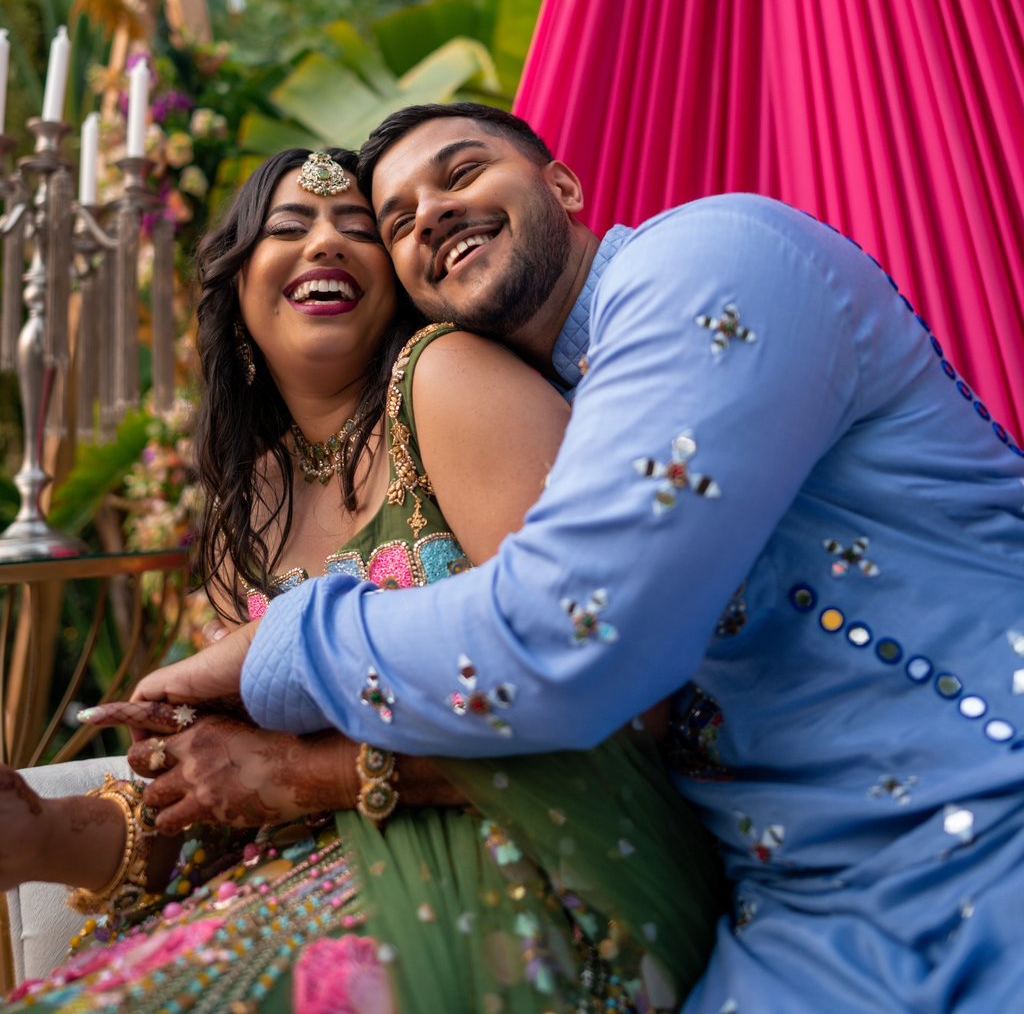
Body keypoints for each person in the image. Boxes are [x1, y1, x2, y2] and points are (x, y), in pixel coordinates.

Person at [133, 104, 1024, 1013]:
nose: (431, 213)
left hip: (992, 827)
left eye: (462, 172)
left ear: (563, 185)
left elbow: (573, 635)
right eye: (399, 220)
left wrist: (283, 648)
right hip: (801, 921)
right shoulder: (555, 412)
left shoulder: (713, 261)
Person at [0, 145, 722, 1013]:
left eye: (358, 230)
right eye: (289, 227)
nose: (326, 245)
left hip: (547, 860)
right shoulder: (248, 512)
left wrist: (329, 776)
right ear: (237, 293)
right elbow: (230, 778)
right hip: (312, 866)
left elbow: (617, 692)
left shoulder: (446, 380)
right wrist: (40, 834)